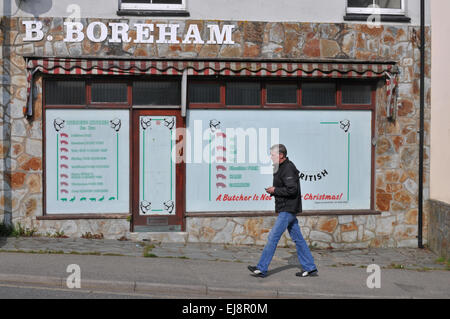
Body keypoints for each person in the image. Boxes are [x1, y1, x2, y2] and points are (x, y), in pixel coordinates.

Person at [248, 144, 318, 278]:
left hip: (287, 209)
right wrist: (274, 190)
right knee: (298, 239)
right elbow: (286, 187)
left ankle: (262, 268)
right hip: (287, 209)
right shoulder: (281, 168)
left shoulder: (288, 168)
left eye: (273, 154)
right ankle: (310, 267)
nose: (271, 157)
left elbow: (292, 190)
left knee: (273, 237)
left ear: (281, 155)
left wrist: (275, 190)